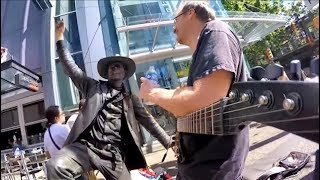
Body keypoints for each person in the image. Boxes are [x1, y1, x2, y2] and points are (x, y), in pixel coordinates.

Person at [46, 20, 172, 180]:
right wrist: (59, 38)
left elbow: (150, 122)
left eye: (118, 65)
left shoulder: (131, 99)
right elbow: (72, 69)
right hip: (86, 147)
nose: (114, 68)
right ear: (107, 73)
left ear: (125, 72)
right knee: (55, 166)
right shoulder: (93, 87)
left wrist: (170, 142)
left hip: (114, 154)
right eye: (111, 66)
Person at [139, 1, 249, 180]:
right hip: (198, 167)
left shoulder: (215, 31)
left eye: (175, 19)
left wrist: (153, 93)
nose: (173, 27)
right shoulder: (204, 47)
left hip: (213, 169)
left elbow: (201, 100)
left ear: (190, 13)